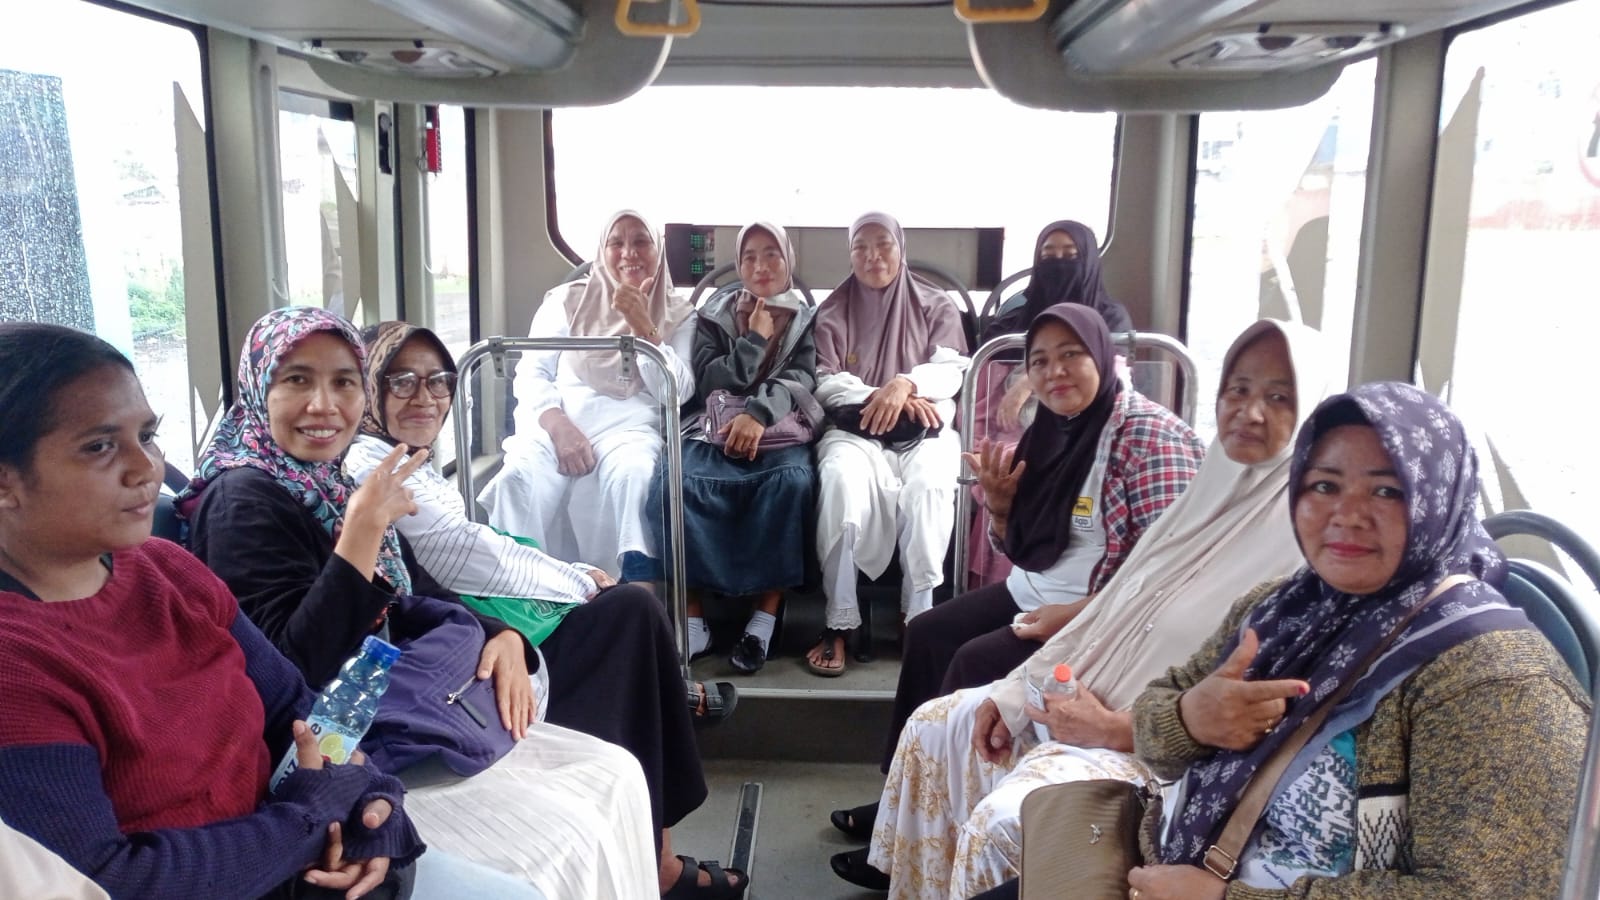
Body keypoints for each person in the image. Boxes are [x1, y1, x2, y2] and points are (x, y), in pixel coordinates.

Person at [180, 308, 742, 899]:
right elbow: (289, 673)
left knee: (626, 620)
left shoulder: (322, 482)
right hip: (372, 726)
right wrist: (361, 537)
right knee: (624, 628)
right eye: (297, 380)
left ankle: (654, 859)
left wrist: (502, 635)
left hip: (417, 682)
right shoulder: (245, 500)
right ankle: (654, 864)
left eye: (343, 382)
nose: (324, 405)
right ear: (258, 387)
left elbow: (421, 591)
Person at [0, 322, 542, 900]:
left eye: (148, 436)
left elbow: (298, 708)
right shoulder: (17, 667)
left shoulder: (168, 571)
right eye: (99, 446)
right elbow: (104, 879)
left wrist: (376, 806)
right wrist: (307, 819)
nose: (146, 468)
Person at [845, 320, 1337, 897]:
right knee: (934, 727)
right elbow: (1120, 597)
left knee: (1006, 822)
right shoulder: (1205, 490)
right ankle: (909, 861)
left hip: (1153, 750)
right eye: (1239, 390)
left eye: (1278, 396)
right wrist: (1016, 692)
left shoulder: (1303, 540)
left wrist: (1111, 726)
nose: (1250, 412)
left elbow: (1247, 711)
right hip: (1082, 676)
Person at [1116, 380, 1589, 899]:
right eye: (1325, 486)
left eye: (1388, 491)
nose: (1347, 515)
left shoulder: (1495, 682)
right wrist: (1190, 718)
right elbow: (1154, 727)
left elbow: (1489, 891)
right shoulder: (1284, 608)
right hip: (1163, 862)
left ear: (1438, 502)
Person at [828, 302, 1206, 891]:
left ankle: (940, 829)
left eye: (1071, 355)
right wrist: (1002, 511)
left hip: (1104, 619)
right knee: (928, 632)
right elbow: (1025, 548)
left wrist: (1073, 615)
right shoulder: (1052, 431)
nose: (1055, 373)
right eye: (1040, 361)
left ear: (1102, 356)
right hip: (1034, 590)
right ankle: (902, 806)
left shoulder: (1148, 439)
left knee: (973, 659)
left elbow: (1167, 577)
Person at [345, 320, 736, 719]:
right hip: (439, 629)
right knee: (631, 608)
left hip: (456, 607)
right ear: (370, 387)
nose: (425, 398)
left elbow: (469, 547)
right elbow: (462, 552)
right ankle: (674, 701)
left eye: (439, 382)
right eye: (402, 382)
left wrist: (572, 574)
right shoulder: (374, 470)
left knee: (632, 608)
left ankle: (669, 703)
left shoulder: (405, 459)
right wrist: (577, 581)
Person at [478, 210, 695, 582]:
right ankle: (520, 591)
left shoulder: (679, 313)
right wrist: (560, 428)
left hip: (628, 432)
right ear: (601, 251)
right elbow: (531, 372)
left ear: (658, 251)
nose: (629, 253)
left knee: (634, 477)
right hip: (555, 427)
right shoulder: (566, 301)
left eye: (641, 241)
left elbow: (675, 393)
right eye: (616, 243)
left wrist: (643, 325)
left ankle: (627, 594)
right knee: (516, 480)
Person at [647, 221, 819, 673]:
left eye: (771, 254)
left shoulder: (806, 319)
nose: (761, 266)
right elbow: (709, 381)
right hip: (712, 425)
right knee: (675, 483)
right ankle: (693, 620)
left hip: (776, 427)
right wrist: (754, 340)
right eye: (749, 257)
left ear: (788, 260)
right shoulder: (713, 314)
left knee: (792, 483)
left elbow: (802, 379)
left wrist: (758, 414)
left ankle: (765, 619)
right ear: (738, 265)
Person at [810, 211, 972, 676]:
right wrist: (883, 396)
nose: (873, 256)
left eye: (884, 244)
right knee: (840, 482)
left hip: (924, 428)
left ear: (901, 249)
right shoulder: (833, 310)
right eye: (860, 247)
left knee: (931, 487)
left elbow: (953, 369)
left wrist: (906, 384)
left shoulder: (935, 304)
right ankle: (839, 619)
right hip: (855, 428)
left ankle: (915, 615)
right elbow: (825, 381)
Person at [968, 220, 1133, 588]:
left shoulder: (1112, 320)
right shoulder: (1010, 325)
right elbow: (984, 400)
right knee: (1008, 464)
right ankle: (1002, 584)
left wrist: (1031, 378)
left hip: (1090, 434)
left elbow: (1114, 381)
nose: (1059, 263)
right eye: (1049, 255)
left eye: (1070, 256)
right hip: (1016, 432)